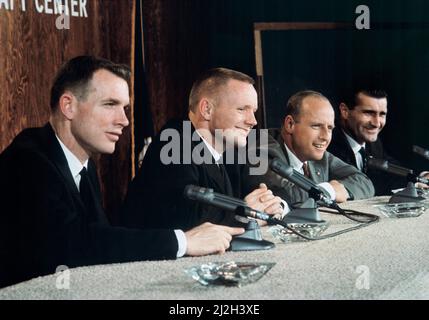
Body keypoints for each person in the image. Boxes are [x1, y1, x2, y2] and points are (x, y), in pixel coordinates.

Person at [0, 56, 244, 288]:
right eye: (110, 105)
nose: (124, 120)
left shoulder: (83, 164)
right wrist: (182, 241)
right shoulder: (28, 159)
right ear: (68, 106)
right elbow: (72, 245)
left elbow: (98, 239)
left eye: (125, 108)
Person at [120, 67, 284, 231]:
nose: (253, 121)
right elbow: (187, 217)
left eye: (253, 111)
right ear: (207, 109)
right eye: (242, 109)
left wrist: (271, 204)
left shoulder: (228, 151)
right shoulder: (174, 142)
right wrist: (244, 212)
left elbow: (261, 192)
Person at [242, 90, 374, 206]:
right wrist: (330, 190)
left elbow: (364, 182)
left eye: (329, 128)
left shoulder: (316, 154)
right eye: (316, 126)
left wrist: (332, 190)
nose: (325, 137)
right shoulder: (260, 147)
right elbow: (287, 196)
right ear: (290, 124)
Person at [328, 88, 429, 195]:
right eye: (368, 113)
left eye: (382, 114)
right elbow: (364, 184)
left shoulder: (373, 142)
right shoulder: (328, 143)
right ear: (345, 111)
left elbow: (391, 172)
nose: (376, 123)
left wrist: (421, 178)